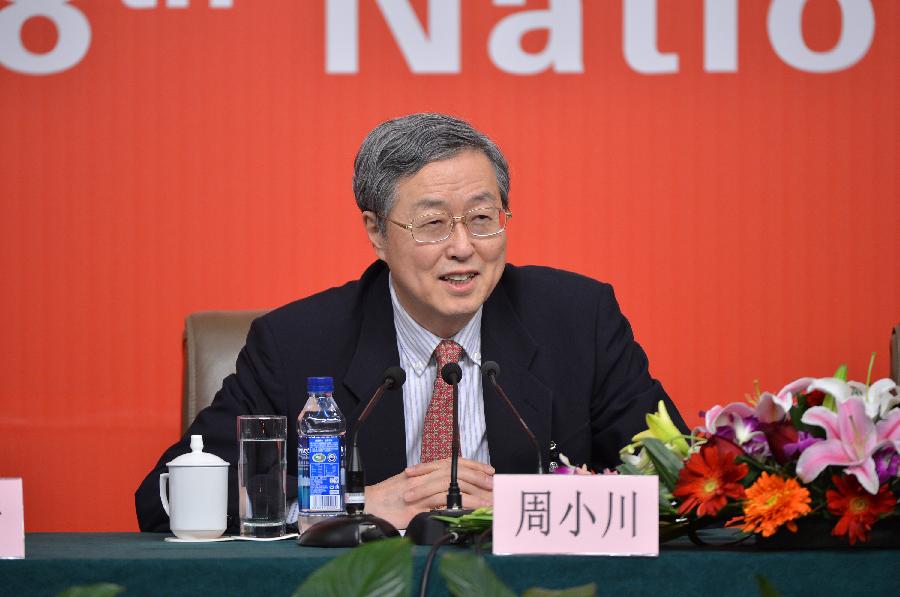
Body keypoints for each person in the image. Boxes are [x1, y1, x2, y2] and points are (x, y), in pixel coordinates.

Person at [135, 113, 686, 532]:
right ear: (377, 232)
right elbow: (161, 501)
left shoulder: (577, 319)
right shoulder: (297, 342)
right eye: (432, 225)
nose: (464, 248)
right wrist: (344, 508)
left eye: (482, 218)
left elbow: (679, 488)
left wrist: (521, 507)